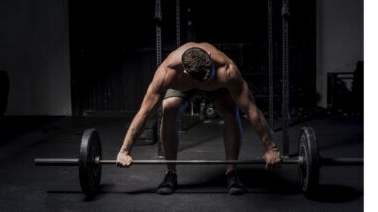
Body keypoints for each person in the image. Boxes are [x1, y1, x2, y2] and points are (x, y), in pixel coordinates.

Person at [116, 42, 282, 195]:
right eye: (204, 79)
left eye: (209, 75)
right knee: (168, 110)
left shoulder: (226, 70)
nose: (206, 81)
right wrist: (125, 150)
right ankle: (170, 174)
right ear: (185, 72)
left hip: (218, 84)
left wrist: (271, 148)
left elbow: (251, 109)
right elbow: (144, 112)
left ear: (209, 55)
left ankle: (231, 172)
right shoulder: (167, 73)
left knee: (231, 112)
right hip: (185, 84)